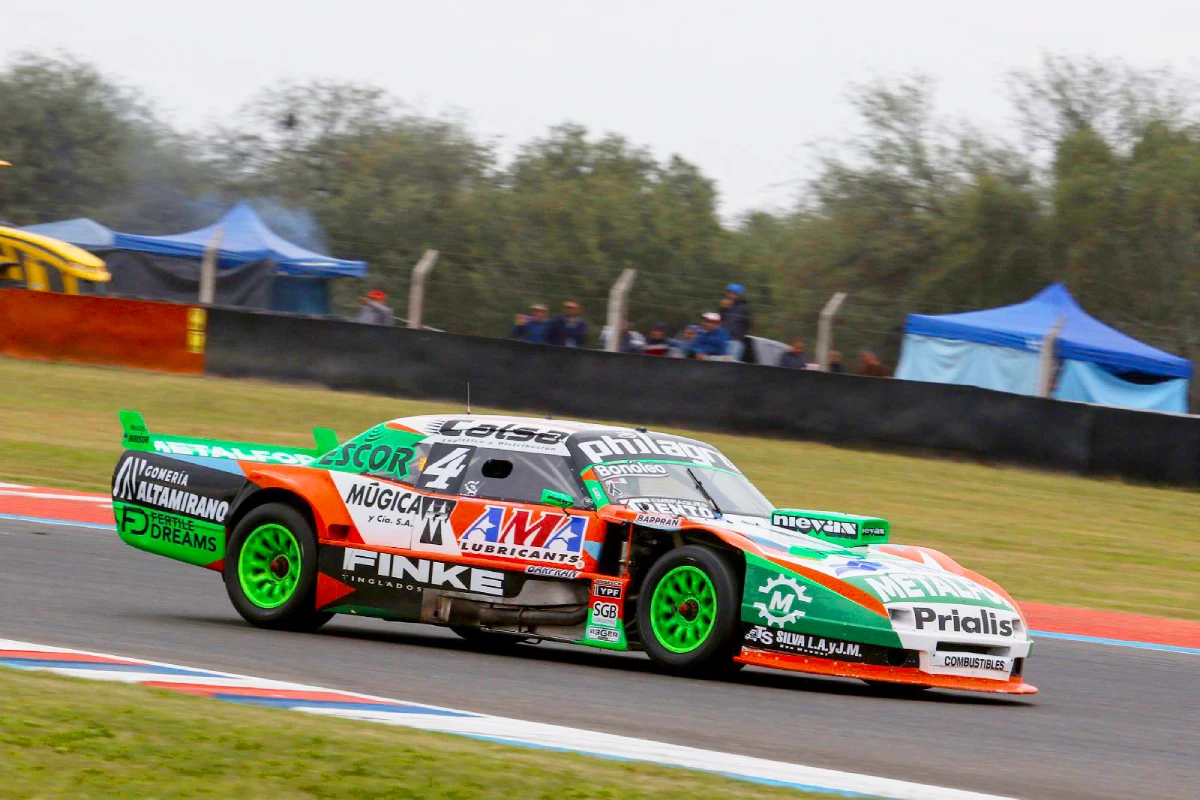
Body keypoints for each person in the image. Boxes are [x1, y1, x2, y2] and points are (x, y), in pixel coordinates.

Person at [720, 283, 752, 360]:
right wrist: (724, 308)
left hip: (735, 341)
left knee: (731, 363)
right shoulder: (726, 306)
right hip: (723, 340)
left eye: (733, 293)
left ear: (739, 295)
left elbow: (747, 324)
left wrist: (739, 337)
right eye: (729, 293)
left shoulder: (743, 308)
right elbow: (721, 320)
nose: (730, 295)